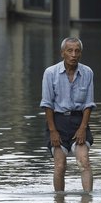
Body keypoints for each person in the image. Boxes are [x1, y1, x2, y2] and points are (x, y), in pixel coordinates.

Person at [40, 37, 95, 192]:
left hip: (79, 120)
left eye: (77, 51)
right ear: (62, 53)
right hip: (57, 121)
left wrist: (83, 128)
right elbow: (47, 104)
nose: (73, 54)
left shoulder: (87, 72)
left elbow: (88, 104)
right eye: (69, 51)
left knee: (84, 161)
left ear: (81, 54)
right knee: (60, 165)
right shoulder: (50, 73)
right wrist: (53, 131)